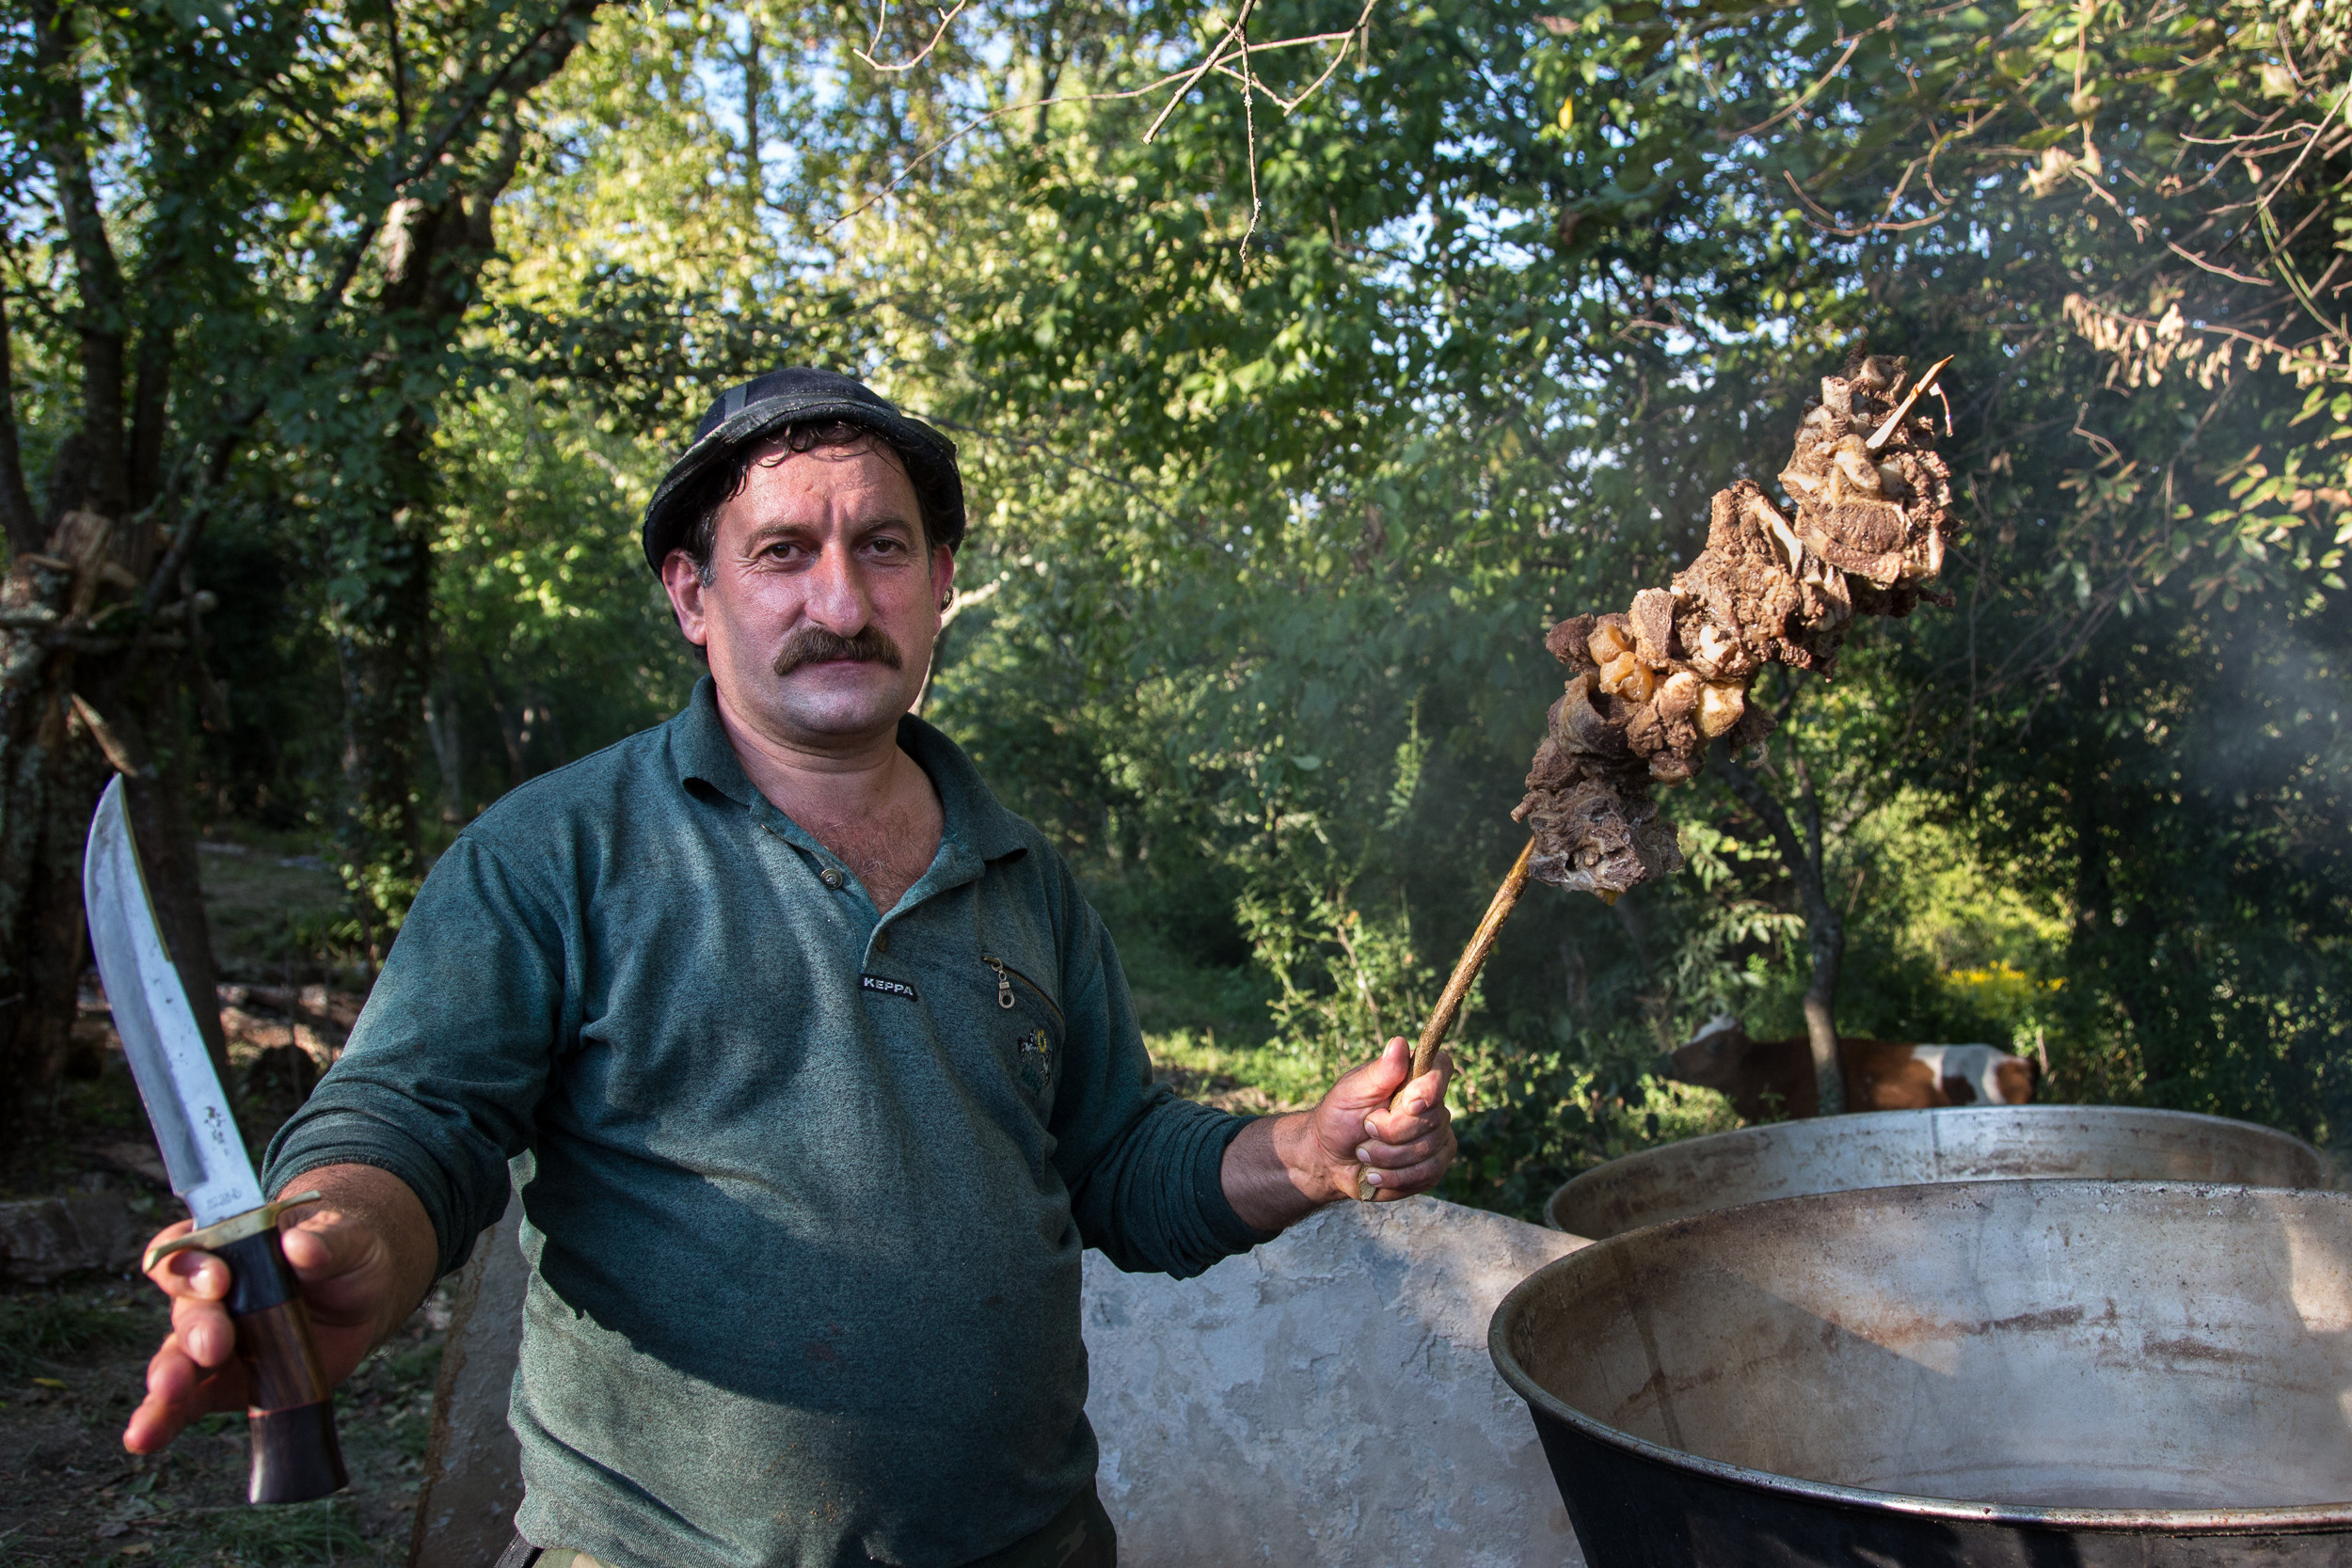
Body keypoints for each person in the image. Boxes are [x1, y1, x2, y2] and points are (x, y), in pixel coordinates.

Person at [127, 369, 1457, 1568]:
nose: (841, 602)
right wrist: (350, 1229)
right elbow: (417, 1117)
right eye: (782, 553)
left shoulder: (1024, 878)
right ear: (693, 594)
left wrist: (1305, 1151)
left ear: (941, 580)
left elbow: (1116, 1165)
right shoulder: (556, 852)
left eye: (882, 549)